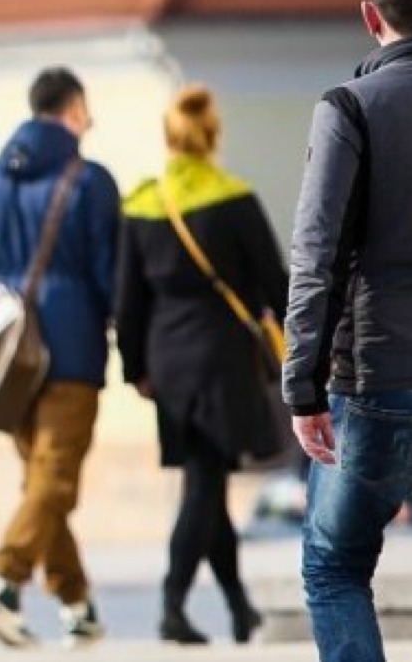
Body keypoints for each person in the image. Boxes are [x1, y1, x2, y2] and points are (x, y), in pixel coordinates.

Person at [283, 0, 412, 662]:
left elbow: (316, 255)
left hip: (382, 376)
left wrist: (302, 387)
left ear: (369, 17)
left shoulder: (351, 106)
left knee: (334, 565)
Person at [0, 67, 121, 648]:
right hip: (71, 350)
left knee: (43, 482)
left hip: (6, 353)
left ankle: (77, 605)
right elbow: (110, 276)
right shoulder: (89, 181)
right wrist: (139, 354)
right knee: (56, 480)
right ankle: (3, 581)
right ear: (74, 109)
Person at [116, 85, 284, 645]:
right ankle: (172, 604)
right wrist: (307, 345)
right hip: (222, 362)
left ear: (168, 137)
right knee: (205, 485)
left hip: (167, 364)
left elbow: (127, 301)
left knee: (205, 481)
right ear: (213, 136)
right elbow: (275, 283)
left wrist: (135, 368)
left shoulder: (143, 204)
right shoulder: (233, 198)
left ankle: (239, 608)